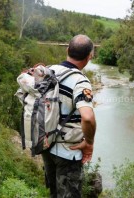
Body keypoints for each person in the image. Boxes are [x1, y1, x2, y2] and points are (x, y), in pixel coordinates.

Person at [41, 34, 96, 198]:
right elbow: (87, 117)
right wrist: (89, 143)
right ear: (90, 56)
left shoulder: (49, 71)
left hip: (45, 143)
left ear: (67, 50)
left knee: (54, 193)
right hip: (68, 151)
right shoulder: (80, 81)